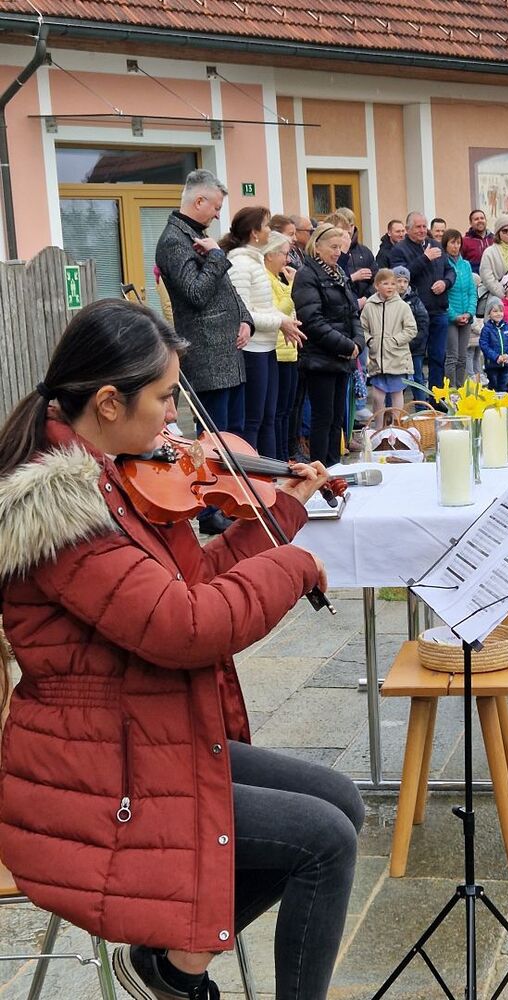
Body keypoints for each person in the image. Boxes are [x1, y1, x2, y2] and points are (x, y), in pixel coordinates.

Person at [0, 299, 363, 1000]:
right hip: (98, 776)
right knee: (324, 839)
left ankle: (164, 966)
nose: (175, 420)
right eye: (165, 399)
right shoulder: (62, 514)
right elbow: (185, 627)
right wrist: (291, 567)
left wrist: (282, 513)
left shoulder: (117, 476)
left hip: (147, 734)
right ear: (110, 402)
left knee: (340, 800)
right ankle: (175, 968)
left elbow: (189, 584)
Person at [155, 168, 253, 535]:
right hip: (207, 354)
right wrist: (216, 257)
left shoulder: (199, 235)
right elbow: (195, 293)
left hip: (229, 351)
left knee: (233, 434)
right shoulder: (173, 240)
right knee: (212, 438)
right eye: (215, 207)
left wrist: (246, 319)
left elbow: (226, 290)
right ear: (199, 201)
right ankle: (210, 510)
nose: (217, 214)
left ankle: (231, 499)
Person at [220, 207, 303, 457]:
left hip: (266, 347)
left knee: (268, 417)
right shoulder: (239, 264)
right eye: (266, 226)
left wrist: (284, 321)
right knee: (254, 420)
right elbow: (243, 312)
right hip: (252, 349)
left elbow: (264, 307)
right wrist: (280, 322)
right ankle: (257, 474)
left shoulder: (254, 260)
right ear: (254, 233)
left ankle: (274, 471)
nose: (269, 230)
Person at [291, 224, 365, 466]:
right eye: (333, 247)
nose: (337, 252)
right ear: (317, 247)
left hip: (342, 357)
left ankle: (335, 468)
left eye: (339, 247)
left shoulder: (338, 273)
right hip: (320, 358)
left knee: (337, 419)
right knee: (323, 418)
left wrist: (358, 342)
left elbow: (352, 312)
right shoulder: (307, 275)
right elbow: (312, 320)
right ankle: (320, 469)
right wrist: (345, 346)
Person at [391, 211, 456, 391]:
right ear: (407, 229)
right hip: (415, 313)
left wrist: (445, 282)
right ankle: (419, 400)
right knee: (417, 359)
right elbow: (402, 278)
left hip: (439, 310)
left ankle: (436, 398)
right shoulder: (399, 250)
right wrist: (425, 258)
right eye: (418, 227)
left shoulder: (435, 244)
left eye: (424, 226)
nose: (422, 230)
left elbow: (450, 270)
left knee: (438, 356)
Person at [361, 268, 416, 426]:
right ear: (377, 286)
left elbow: (411, 329)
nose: (390, 287)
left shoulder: (402, 306)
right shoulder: (369, 306)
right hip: (377, 359)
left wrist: (395, 340)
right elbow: (362, 328)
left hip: (397, 358)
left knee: (397, 393)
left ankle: (395, 426)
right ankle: (379, 427)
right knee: (377, 396)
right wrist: (370, 340)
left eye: (393, 283)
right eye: (385, 283)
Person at [264, 231, 300, 459]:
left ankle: (287, 455)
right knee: (278, 412)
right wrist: (292, 287)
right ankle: (279, 457)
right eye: (284, 254)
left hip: (289, 350)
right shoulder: (266, 280)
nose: (287, 260)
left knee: (287, 410)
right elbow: (279, 312)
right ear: (270, 254)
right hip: (277, 351)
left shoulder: (277, 278)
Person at [443, 228, 478, 386]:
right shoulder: (443, 265)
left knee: (463, 357)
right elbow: (444, 295)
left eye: (458, 243)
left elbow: (472, 291)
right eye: (452, 242)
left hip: (466, 316)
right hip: (451, 318)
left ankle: (460, 388)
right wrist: (454, 315)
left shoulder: (466, 265)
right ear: (446, 244)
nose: (456, 246)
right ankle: (451, 391)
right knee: (452, 357)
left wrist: (469, 313)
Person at [393, 264, 429, 398]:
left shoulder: (415, 301)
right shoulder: (388, 301)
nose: (402, 285)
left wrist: (413, 343)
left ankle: (421, 407)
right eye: (398, 281)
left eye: (405, 281)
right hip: (396, 348)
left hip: (415, 349)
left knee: (416, 378)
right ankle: (393, 408)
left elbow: (423, 324)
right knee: (396, 381)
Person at [479, 299, 508, 392]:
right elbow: (484, 345)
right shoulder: (487, 329)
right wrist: (496, 357)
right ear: (489, 314)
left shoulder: (507, 327)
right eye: (495, 311)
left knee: (504, 386)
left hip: (506, 364)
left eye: (501, 311)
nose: (498, 314)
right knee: (493, 387)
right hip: (492, 365)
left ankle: (504, 400)